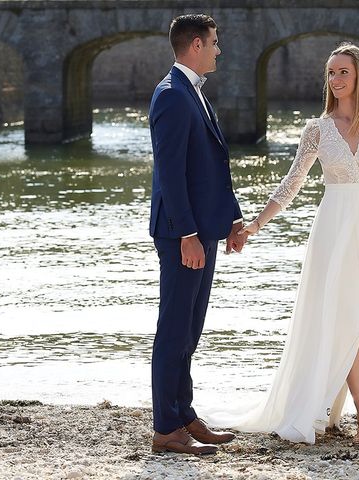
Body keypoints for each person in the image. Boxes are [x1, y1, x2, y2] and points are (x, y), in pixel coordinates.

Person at [206, 42, 359, 447]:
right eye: (330, 73)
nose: (335, 80)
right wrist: (256, 225)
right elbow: (293, 181)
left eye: (342, 72)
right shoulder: (317, 128)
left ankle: (338, 409)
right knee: (342, 319)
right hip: (331, 228)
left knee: (353, 319)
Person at [148, 14, 247, 455]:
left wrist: (232, 219)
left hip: (201, 230)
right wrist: (187, 232)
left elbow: (211, 168)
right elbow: (169, 173)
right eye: (214, 43)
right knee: (173, 329)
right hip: (180, 233)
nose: (218, 50)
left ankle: (184, 413)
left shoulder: (194, 93)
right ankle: (166, 429)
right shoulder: (171, 95)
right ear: (194, 45)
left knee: (190, 330)